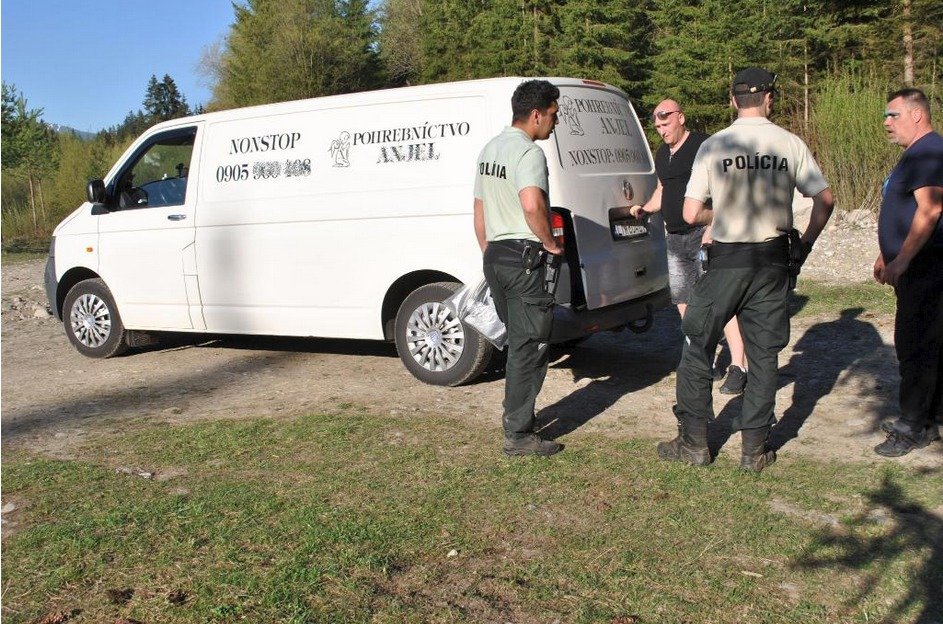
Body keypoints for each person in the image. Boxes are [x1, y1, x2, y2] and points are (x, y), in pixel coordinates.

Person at [657, 67, 834, 472]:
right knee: (765, 354)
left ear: (734, 100)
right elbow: (824, 200)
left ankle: (694, 442)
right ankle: (754, 451)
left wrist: (718, 218)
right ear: (769, 98)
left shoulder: (715, 145)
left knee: (696, 341)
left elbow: (688, 211)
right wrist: (802, 245)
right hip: (773, 262)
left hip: (727, 262)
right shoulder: (790, 143)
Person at [629, 100, 748, 395]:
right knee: (684, 301)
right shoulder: (662, 154)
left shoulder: (704, 145)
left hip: (703, 233)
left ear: (681, 117)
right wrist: (645, 210)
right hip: (675, 238)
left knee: (721, 302)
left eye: (666, 122)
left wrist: (714, 227)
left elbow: (727, 186)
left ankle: (739, 366)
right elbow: (662, 190)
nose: (661, 129)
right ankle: (701, 360)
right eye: (657, 125)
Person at [473, 79, 565, 456]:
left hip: (496, 256)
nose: (555, 124)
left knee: (518, 345)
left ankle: (516, 416)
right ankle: (519, 435)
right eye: (554, 116)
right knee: (531, 347)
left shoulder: (490, 149)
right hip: (524, 260)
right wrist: (550, 243)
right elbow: (531, 206)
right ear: (536, 115)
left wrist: (489, 252)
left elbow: (479, 211)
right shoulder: (529, 154)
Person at [872, 87, 943, 457]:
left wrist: (903, 259)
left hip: (927, 269)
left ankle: (911, 425)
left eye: (893, 115)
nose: (886, 122)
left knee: (915, 346)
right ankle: (927, 421)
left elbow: (929, 210)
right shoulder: (916, 154)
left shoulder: (928, 152)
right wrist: (887, 255)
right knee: (921, 344)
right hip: (916, 267)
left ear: (917, 114)